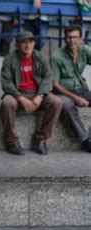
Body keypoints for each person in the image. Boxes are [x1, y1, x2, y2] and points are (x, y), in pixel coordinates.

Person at [0, 31, 63, 155]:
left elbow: (48, 78)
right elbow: (6, 82)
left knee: (57, 102)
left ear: (34, 43)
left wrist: (40, 96)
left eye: (30, 42)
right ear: (17, 45)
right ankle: (11, 142)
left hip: (37, 92)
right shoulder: (9, 59)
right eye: (23, 42)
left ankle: (41, 139)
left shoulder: (41, 58)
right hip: (17, 93)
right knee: (7, 103)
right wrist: (20, 97)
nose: (27, 45)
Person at [50, 24, 91, 153]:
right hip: (62, 92)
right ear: (64, 39)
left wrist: (80, 96)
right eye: (69, 37)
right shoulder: (56, 57)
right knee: (67, 106)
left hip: (81, 89)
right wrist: (76, 98)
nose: (72, 40)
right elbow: (54, 84)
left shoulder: (84, 50)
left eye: (75, 37)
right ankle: (85, 140)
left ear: (81, 39)